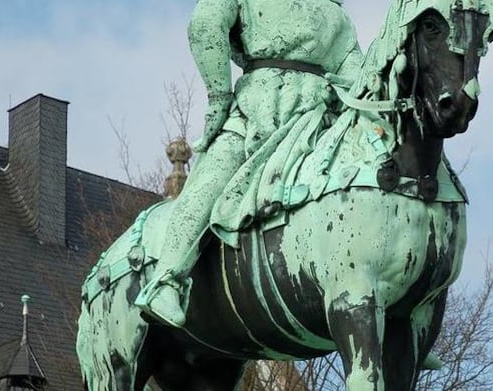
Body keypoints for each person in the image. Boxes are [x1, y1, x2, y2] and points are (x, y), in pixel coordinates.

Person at [136, 0, 363, 326]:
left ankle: (376, 289)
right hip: (260, 108)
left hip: (322, 120)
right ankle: (166, 280)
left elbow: (355, 72)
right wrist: (219, 96)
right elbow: (205, 23)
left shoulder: (333, 12)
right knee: (211, 180)